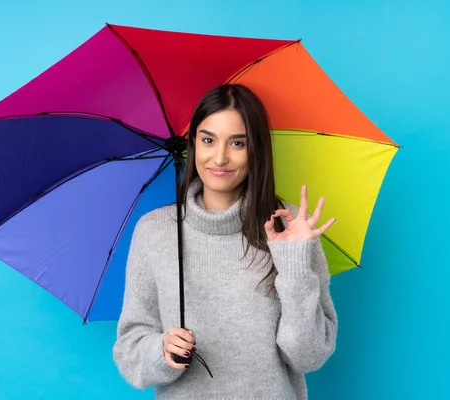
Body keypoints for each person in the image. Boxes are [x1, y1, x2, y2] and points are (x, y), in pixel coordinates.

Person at [113, 83, 338, 399]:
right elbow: (129, 347)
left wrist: (295, 265)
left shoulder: (289, 227)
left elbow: (307, 357)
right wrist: (160, 351)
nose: (219, 158)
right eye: (208, 140)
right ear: (192, 145)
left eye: (237, 143)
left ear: (256, 149)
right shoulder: (155, 232)